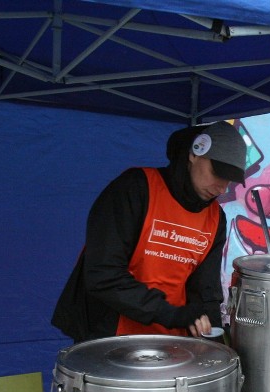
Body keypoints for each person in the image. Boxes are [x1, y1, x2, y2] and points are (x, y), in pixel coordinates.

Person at [52, 121, 247, 342]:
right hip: (108, 336)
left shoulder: (214, 217)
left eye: (229, 180)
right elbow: (103, 275)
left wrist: (214, 341)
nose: (221, 187)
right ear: (195, 153)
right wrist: (171, 314)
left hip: (171, 343)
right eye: (217, 172)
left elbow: (206, 292)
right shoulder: (135, 189)